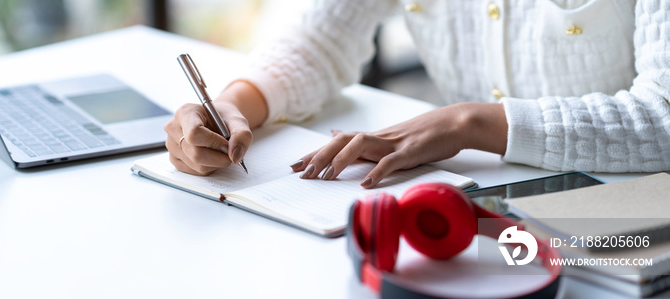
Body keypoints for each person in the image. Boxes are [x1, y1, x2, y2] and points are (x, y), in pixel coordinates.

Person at [164, 0, 670, 188]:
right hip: (483, 201)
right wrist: (234, 105)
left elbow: (663, 113)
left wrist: (467, 124)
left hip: (631, 208)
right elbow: (320, 37)